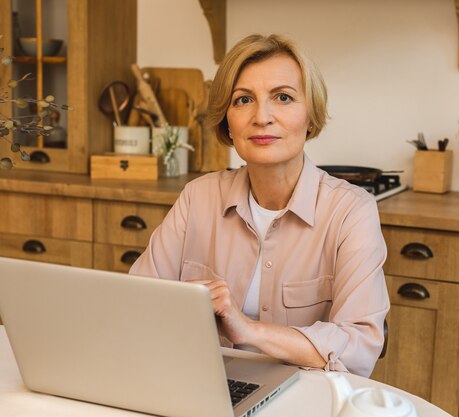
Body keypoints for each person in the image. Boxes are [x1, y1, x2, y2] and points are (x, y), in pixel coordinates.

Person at [129, 34, 389, 377]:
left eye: (283, 97)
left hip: (305, 395)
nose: (261, 117)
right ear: (227, 121)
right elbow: (134, 306)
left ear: (310, 116)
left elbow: (359, 347)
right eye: (243, 100)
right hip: (200, 385)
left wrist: (247, 329)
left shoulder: (351, 212)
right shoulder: (197, 198)